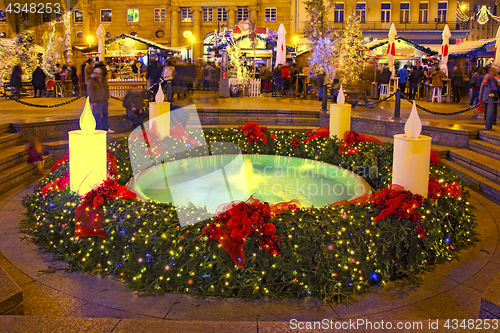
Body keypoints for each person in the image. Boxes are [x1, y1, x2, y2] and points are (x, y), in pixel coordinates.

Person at [87, 68, 112, 132]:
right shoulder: (91, 81)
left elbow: (106, 88)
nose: (98, 75)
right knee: (97, 115)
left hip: (104, 100)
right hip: (97, 101)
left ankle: (106, 128)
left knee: (105, 114)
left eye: (99, 74)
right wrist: (93, 101)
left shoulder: (103, 79)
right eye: (97, 74)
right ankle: (98, 129)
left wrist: (107, 96)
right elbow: (90, 91)